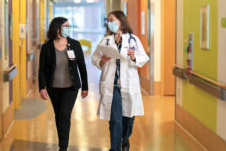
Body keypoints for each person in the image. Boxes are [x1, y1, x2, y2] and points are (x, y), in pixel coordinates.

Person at [92, 10, 149, 151]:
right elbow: (94, 58)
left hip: (129, 84)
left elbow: (144, 58)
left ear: (121, 21)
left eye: (113, 20)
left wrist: (134, 57)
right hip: (112, 85)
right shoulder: (105, 41)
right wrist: (102, 60)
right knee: (116, 119)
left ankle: (125, 139)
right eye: (108, 20)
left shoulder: (133, 40)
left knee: (128, 119)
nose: (110, 23)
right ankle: (115, 148)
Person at [39, 17, 88, 151]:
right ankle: (62, 141)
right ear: (57, 28)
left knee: (65, 114)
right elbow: (42, 69)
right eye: (66, 26)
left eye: (69, 26)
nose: (68, 28)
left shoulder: (75, 45)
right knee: (58, 115)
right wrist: (41, 87)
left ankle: (63, 146)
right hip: (53, 88)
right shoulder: (47, 47)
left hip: (71, 88)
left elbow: (82, 67)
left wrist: (85, 87)